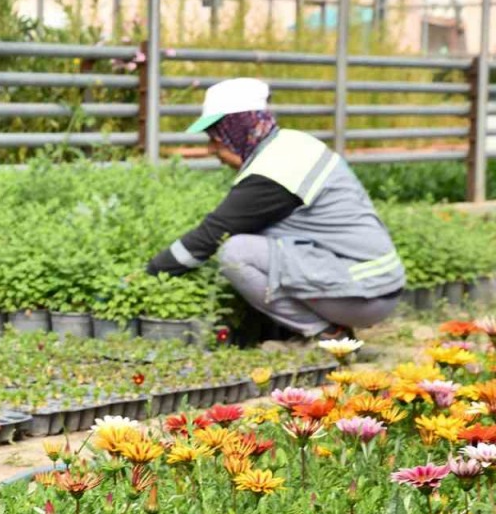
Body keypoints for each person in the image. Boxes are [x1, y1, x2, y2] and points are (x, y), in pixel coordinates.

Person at [146, 77, 404, 339]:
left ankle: (328, 334)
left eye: (215, 137)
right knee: (253, 238)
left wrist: (149, 275)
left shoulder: (274, 170)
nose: (212, 149)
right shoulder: (290, 145)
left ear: (236, 129)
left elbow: (210, 235)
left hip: (366, 291)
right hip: (374, 283)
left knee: (235, 253)